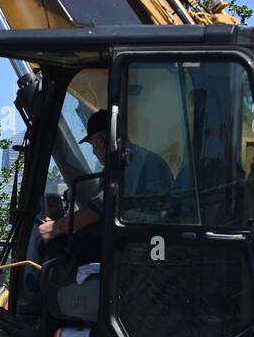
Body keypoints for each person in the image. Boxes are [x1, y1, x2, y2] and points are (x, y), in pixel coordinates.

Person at [38, 108, 174, 256]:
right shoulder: (143, 159)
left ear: (101, 141)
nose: (94, 152)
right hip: (150, 242)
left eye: (92, 145)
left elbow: (98, 210)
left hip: (137, 248)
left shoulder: (124, 163)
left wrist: (55, 227)